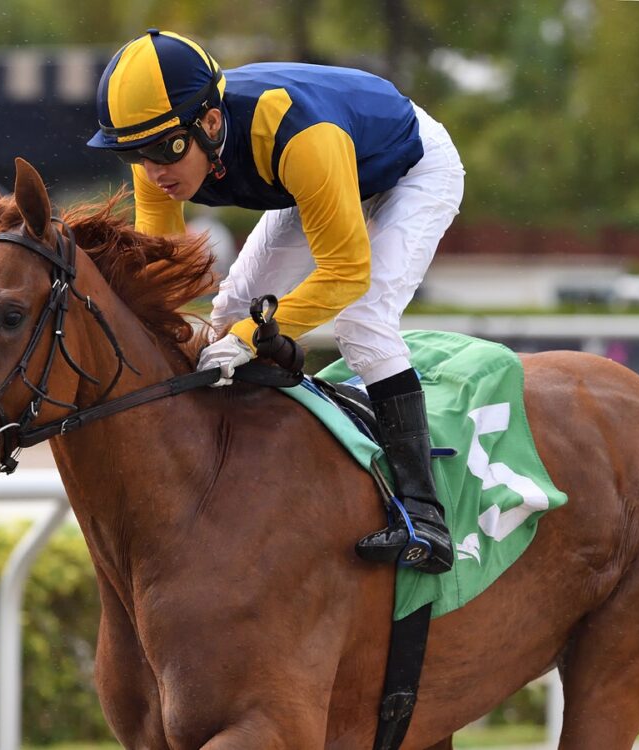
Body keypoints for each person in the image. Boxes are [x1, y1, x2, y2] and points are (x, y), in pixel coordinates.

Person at [87, 29, 464, 574]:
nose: (152, 171)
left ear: (211, 124)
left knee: (363, 322)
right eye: (134, 154)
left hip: (409, 167)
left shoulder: (299, 137)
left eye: (164, 150)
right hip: (322, 171)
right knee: (230, 309)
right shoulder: (162, 146)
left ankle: (424, 517)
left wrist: (250, 338)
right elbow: (164, 273)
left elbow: (346, 273)